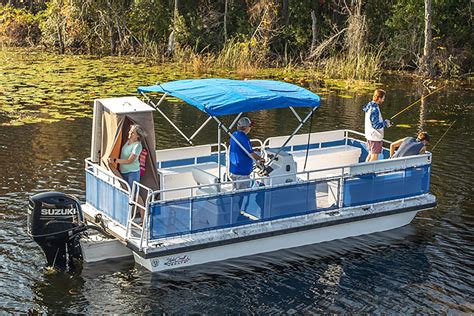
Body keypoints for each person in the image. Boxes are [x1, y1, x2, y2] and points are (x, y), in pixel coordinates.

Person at [229, 117, 265, 190]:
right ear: (246, 127)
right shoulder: (244, 138)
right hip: (242, 171)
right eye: (250, 126)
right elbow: (250, 154)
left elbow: (240, 149)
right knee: (243, 193)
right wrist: (260, 158)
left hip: (234, 169)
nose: (250, 128)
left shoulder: (234, 134)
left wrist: (253, 150)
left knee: (235, 190)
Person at [108, 124, 147, 190]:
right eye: (130, 131)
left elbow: (129, 161)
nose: (130, 133)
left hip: (132, 173)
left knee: (132, 193)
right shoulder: (128, 141)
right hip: (123, 172)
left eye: (133, 133)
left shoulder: (137, 146)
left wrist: (115, 160)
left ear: (138, 136)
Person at [363, 89, 393, 162]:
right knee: (374, 156)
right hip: (374, 137)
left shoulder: (370, 105)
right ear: (379, 98)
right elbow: (376, 125)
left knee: (370, 154)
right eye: (383, 98)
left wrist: (385, 122)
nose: (383, 100)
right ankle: (369, 172)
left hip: (370, 135)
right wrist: (385, 123)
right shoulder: (374, 109)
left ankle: (364, 171)